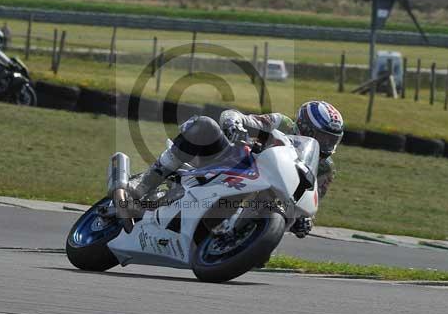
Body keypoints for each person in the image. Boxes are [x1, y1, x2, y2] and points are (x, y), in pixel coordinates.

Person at [127, 101, 344, 239]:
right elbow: (239, 117)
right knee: (204, 125)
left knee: (276, 229)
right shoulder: (282, 123)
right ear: (305, 127)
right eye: (322, 137)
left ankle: (241, 239)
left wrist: (305, 220)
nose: (326, 145)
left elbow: (310, 201)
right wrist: (234, 124)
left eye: (331, 140)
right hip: (233, 164)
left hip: (263, 196)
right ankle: (143, 184)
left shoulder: (324, 167)